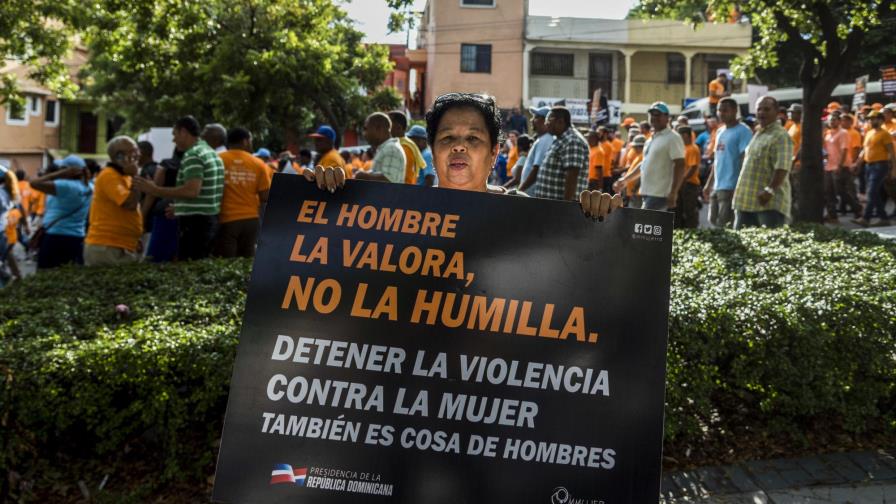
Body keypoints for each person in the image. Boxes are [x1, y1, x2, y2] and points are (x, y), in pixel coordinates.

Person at [304, 92, 620, 220]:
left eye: (473, 138)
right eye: (448, 138)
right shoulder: (400, 216)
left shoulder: (523, 214)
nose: (459, 147)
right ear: (432, 148)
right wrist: (323, 194)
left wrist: (596, 219)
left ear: (496, 152)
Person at [134, 115, 224, 260]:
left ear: (183, 132)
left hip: (196, 225)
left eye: (174, 134)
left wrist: (154, 190)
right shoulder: (209, 152)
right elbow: (204, 193)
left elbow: (191, 191)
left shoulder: (193, 155)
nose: (173, 140)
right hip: (207, 220)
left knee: (189, 266)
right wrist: (182, 207)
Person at [732, 96, 793, 229]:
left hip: (768, 203)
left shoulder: (781, 136)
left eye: (766, 109)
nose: (761, 113)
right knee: (740, 245)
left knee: (768, 245)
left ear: (777, 112)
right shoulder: (759, 133)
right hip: (746, 201)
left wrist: (769, 190)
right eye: (759, 109)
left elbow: (782, 167)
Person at [613, 102, 685, 212]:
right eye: (652, 114)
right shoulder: (651, 139)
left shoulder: (673, 138)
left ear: (667, 118)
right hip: (647, 193)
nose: (654, 117)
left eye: (658, 114)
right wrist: (625, 180)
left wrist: (674, 192)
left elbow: (680, 165)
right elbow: (644, 164)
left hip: (661, 194)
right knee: (650, 227)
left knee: (643, 225)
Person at [84, 136, 143, 265]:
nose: (138, 154)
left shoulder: (124, 176)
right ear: (119, 157)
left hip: (120, 245)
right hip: (107, 246)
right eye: (133, 151)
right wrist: (135, 176)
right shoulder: (109, 175)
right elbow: (130, 203)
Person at [214, 127, 272, 258]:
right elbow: (265, 195)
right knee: (247, 263)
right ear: (245, 141)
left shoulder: (218, 160)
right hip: (251, 220)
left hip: (226, 220)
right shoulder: (258, 163)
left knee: (226, 263)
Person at [29, 155, 93, 268]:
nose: (59, 170)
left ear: (69, 171)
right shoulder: (89, 187)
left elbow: (34, 183)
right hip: (77, 237)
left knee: (46, 273)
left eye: (62, 168)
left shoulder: (65, 186)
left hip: (55, 236)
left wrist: (58, 174)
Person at [702, 98, 752, 228]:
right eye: (719, 110)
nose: (721, 113)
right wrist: (708, 184)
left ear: (735, 111)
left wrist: (739, 186)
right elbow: (717, 160)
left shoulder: (743, 131)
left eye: (725, 110)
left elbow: (744, 159)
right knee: (712, 220)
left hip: (731, 186)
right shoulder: (719, 131)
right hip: (717, 186)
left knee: (725, 224)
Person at [531, 106, 590, 201]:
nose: (546, 124)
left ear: (560, 121)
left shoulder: (572, 141)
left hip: (560, 209)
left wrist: (565, 207)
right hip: (552, 206)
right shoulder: (560, 139)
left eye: (549, 120)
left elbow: (572, 177)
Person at [851, 110, 896, 227]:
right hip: (869, 166)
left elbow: (891, 153)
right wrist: (857, 163)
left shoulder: (885, 134)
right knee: (873, 192)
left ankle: (868, 217)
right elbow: (864, 150)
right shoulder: (869, 133)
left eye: (874, 118)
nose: (871, 121)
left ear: (881, 120)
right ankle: (880, 218)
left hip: (881, 165)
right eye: (869, 119)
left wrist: (893, 169)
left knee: (871, 192)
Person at [347, 112, 405, 184]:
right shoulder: (385, 148)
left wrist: (363, 176)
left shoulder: (391, 149)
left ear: (378, 128)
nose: (364, 133)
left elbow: (389, 180)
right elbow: (380, 174)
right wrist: (363, 172)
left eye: (366, 129)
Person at [822, 115, 855, 222]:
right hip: (829, 166)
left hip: (841, 166)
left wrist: (839, 166)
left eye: (834, 119)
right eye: (830, 120)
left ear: (839, 121)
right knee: (828, 192)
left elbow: (844, 150)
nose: (831, 122)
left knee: (841, 191)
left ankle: (857, 209)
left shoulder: (843, 133)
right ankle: (833, 216)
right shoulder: (827, 133)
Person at [518, 106, 553, 195]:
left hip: (532, 196)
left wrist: (519, 191)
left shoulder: (545, 139)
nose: (532, 120)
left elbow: (537, 169)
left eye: (536, 117)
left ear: (544, 121)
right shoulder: (541, 139)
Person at [388, 111, 426, 184]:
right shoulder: (402, 144)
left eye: (388, 125)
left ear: (398, 128)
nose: (385, 129)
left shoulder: (404, 147)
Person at [676, 126, 701, 228]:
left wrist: (682, 181)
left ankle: (691, 232)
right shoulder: (683, 147)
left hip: (689, 184)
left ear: (685, 135)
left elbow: (692, 168)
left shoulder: (692, 148)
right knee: (679, 210)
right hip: (681, 184)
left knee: (689, 210)